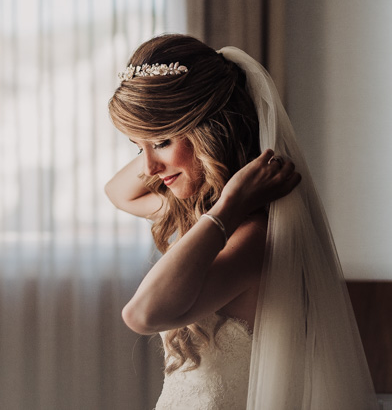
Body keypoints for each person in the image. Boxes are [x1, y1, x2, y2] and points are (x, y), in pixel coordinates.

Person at [105, 34, 377, 410]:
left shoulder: (253, 236)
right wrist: (156, 130)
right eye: (138, 147)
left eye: (164, 141)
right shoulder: (199, 214)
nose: (148, 167)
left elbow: (141, 314)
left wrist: (228, 206)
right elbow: (117, 193)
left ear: (209, 131)